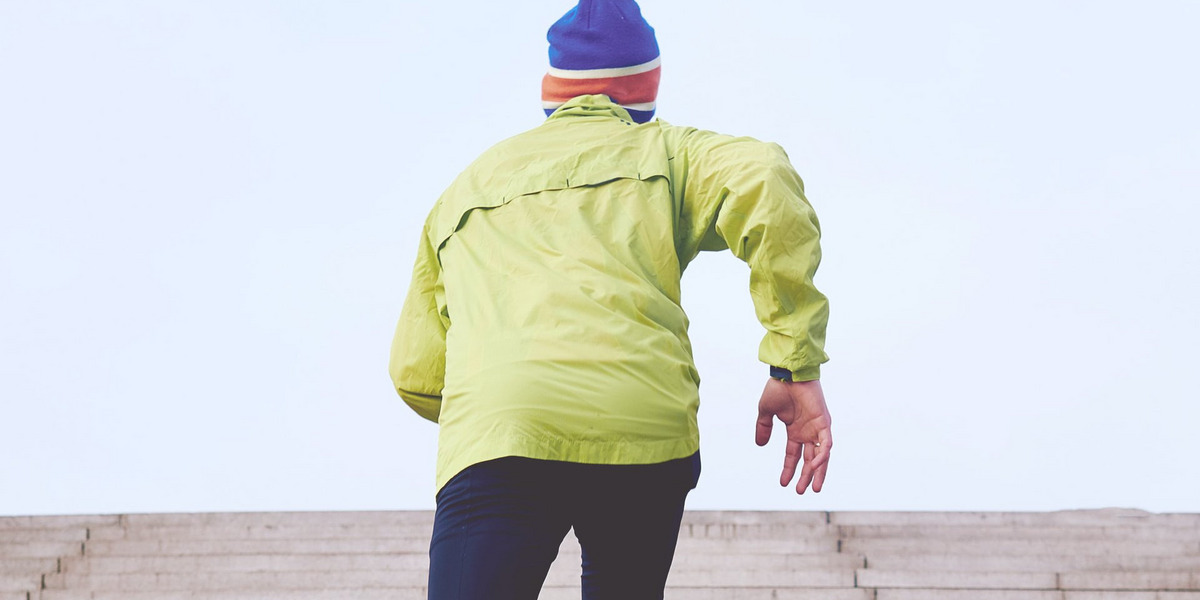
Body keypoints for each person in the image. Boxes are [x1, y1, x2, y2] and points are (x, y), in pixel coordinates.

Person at [389, 1, 832, 598]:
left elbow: (415, 373)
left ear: (552, 89)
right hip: (642, 424)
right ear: (646, 86)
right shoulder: (667, 152)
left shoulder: (464, 189)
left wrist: (503, 398)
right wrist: (792, 363)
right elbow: (764, 174)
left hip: (502, 426)